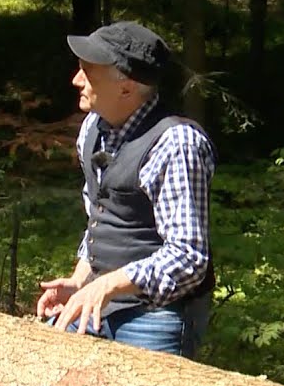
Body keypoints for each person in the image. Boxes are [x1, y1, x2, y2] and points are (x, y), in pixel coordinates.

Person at [36, 21, 216, 359]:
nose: (76, 80)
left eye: (88, 72)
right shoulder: (92, 128)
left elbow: (189, 258)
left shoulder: (176, 143)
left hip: (156, 317)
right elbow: (101, 220)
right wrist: (79, 282)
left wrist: (107, 285)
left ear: (126, 88)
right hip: (97, 302)